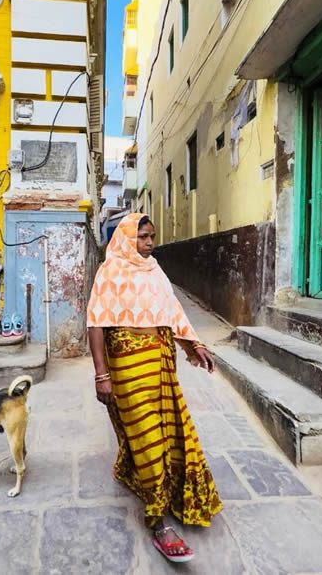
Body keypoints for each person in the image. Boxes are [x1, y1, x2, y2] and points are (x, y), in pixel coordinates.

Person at [86, 213, 222, 564]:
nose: (149, 243)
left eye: (152, 236)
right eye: (143, 237)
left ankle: (145, 477)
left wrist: (195, 343)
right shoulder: (111, 270)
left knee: (167, 430)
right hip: (127, 364)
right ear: (128, 239)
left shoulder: (154, 270)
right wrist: (102, 375)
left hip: (160, 361)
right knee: (146, 433)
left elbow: (173, 311)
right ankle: (158, 520)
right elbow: (96, 323)